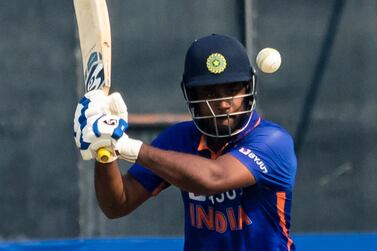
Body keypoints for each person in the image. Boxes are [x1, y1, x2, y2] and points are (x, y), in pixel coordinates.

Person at [74, 34, 297, 251]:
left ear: (248, 89)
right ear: (191, 95)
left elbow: (213, 177)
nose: (223, 104)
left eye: (232, 90)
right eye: (210, 92)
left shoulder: (273, 142)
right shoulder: (180, 138)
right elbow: (117, 204)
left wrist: (127, 146)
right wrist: (105, 149)